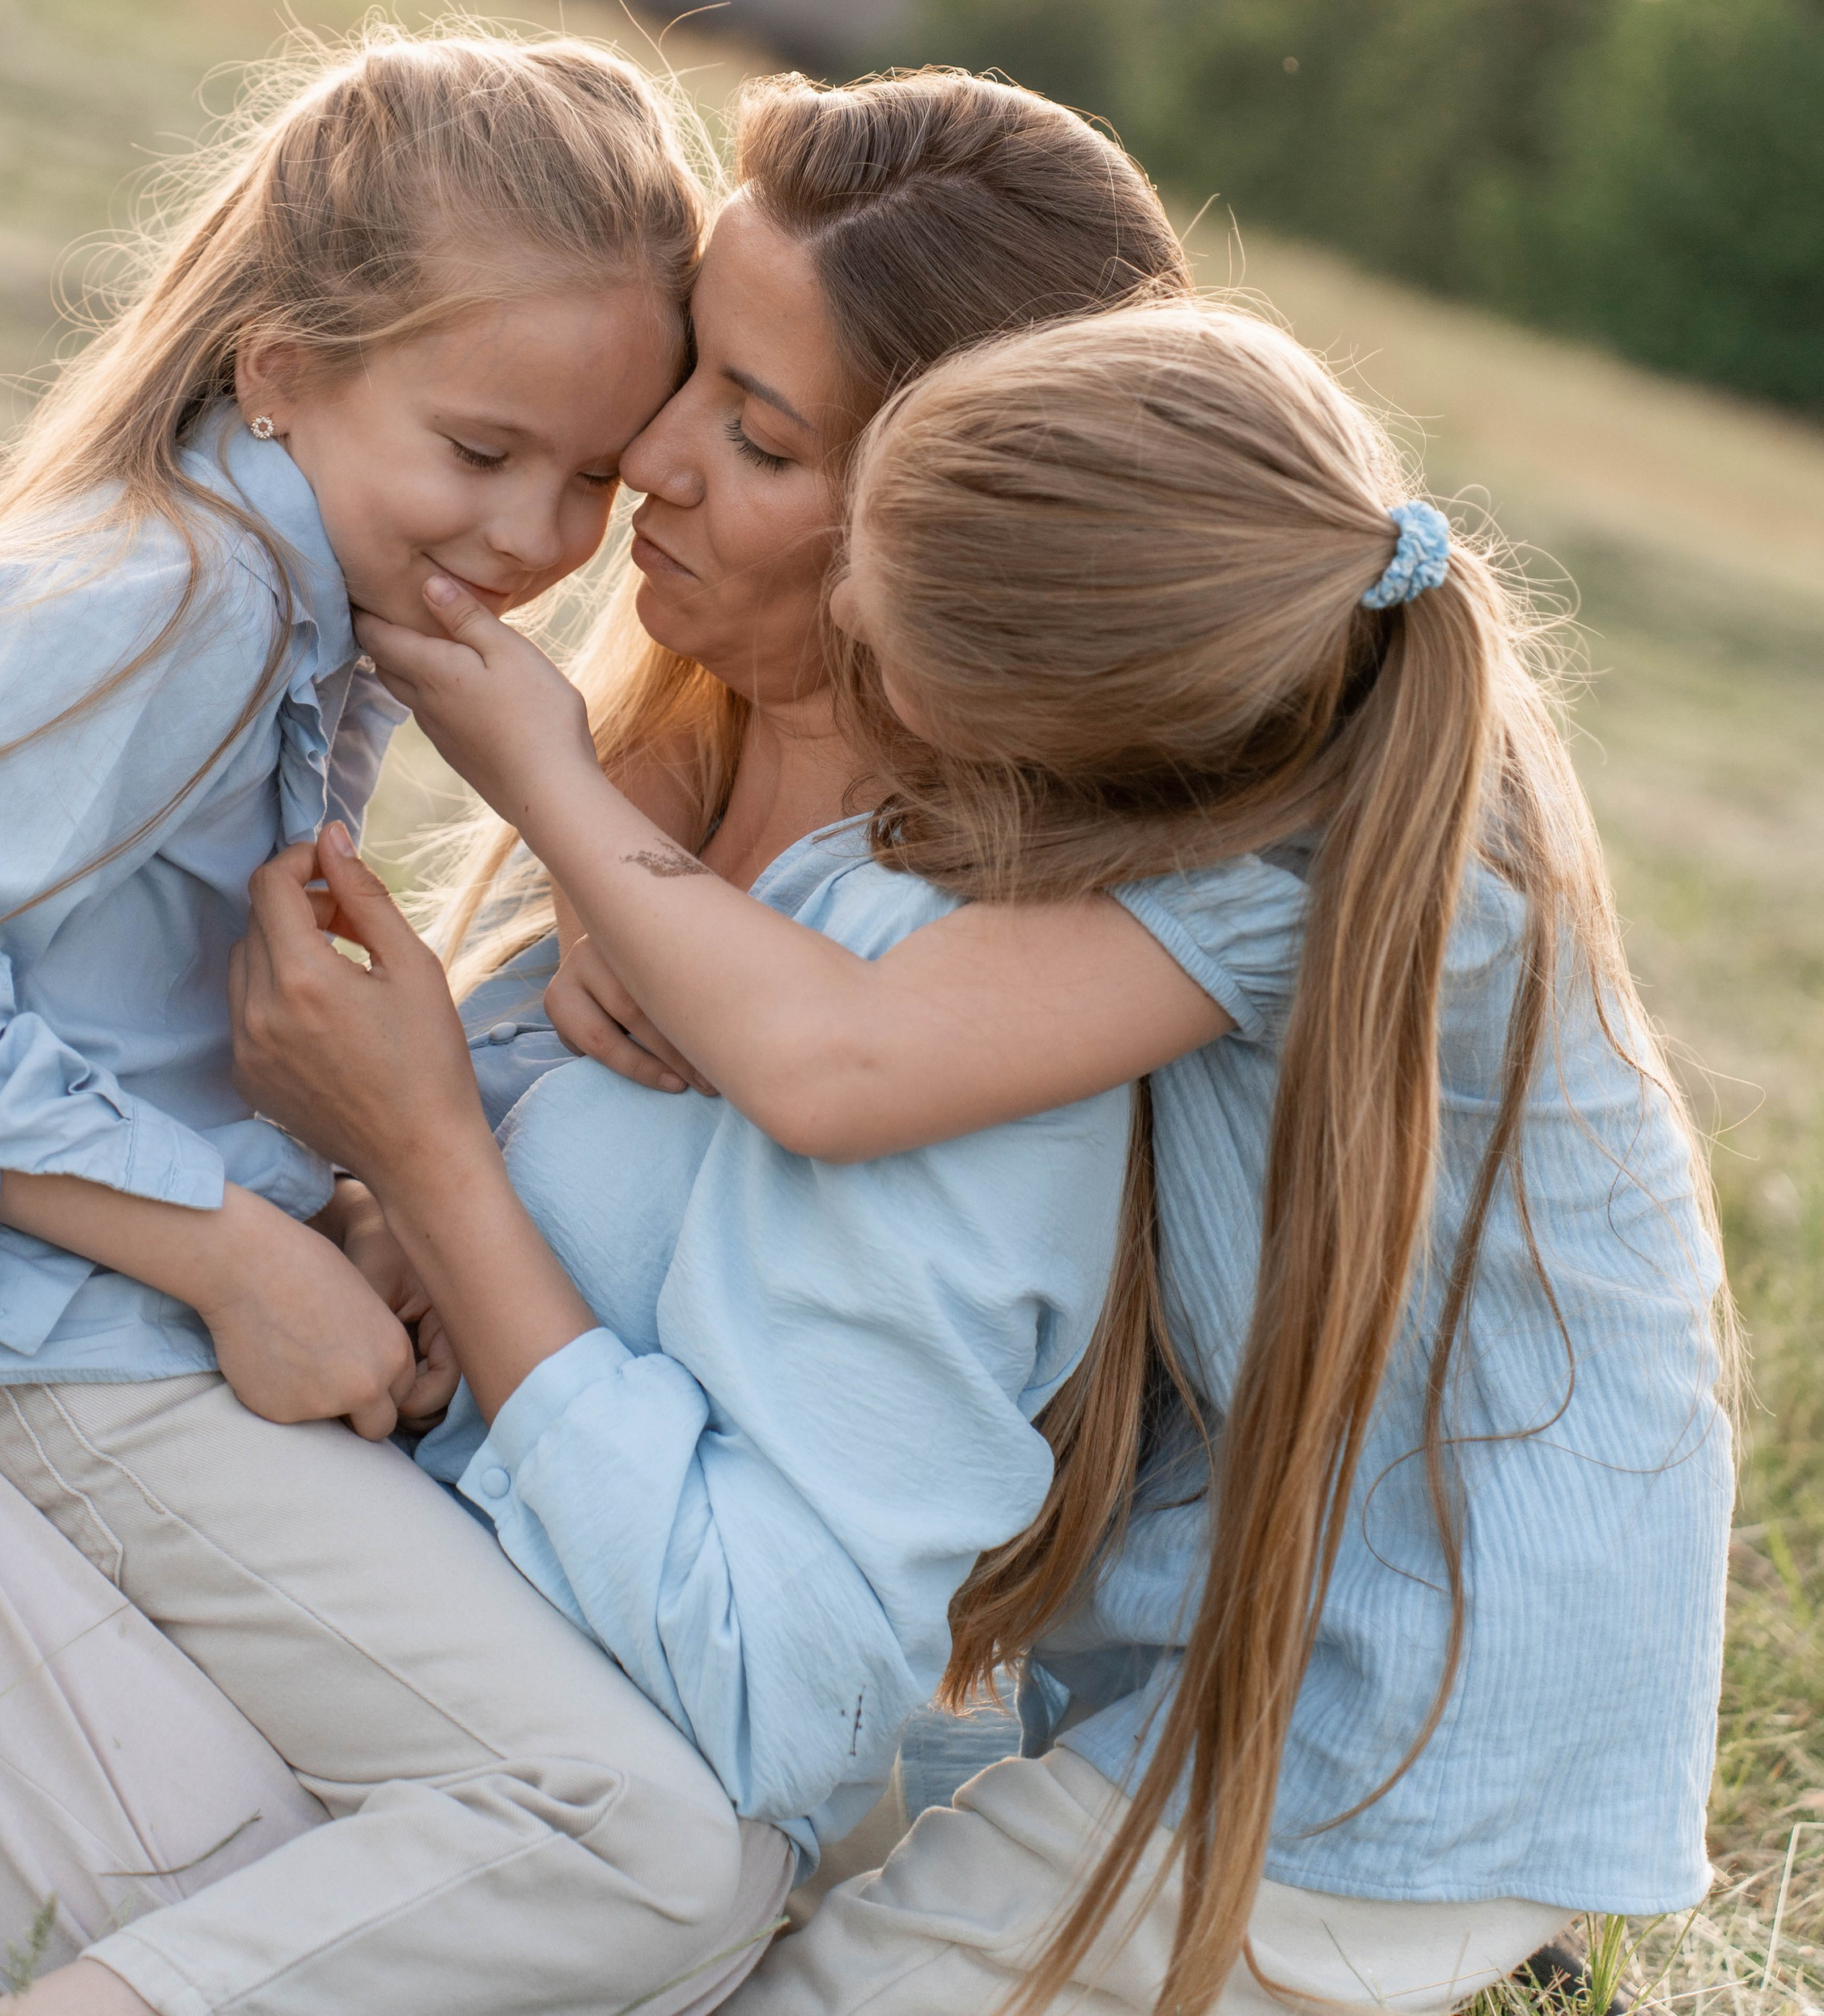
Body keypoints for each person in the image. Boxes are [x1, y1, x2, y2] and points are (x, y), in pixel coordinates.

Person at [0, 66, 1193, 2014]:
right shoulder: (278, 626)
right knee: (609, 1891)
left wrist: (417, 1163)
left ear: (935, 538)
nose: (607, 500)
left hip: (214, 1453)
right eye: (663, 397)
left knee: (608, 1891)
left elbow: (789, 1689)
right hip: (54, 1359)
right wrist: (313, 1209)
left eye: (730, 434)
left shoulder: (940, 999)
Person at [341, 296, 1729, 2016]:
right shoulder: (1317, 734)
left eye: (886, 617)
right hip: (1326, 1663)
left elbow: (833, 1065)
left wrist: (547, 771)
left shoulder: (1286, 873)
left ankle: (1418, 1971)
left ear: (1065, 722)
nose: (842, 607)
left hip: (1393, 1736)